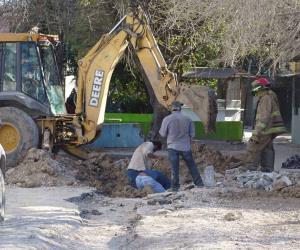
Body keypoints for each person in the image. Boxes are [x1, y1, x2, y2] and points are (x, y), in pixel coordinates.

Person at [241, 77, 286, 172]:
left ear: (260, 89)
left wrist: (256, 133)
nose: (255, 93)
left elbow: (264, 117)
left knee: (253, 147)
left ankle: (250, 169)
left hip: (264, 130)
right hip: (269, 129)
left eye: (256, 90)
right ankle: (268, 170)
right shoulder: (270, 95)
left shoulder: (265, 98)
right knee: (267, 149)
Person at [159, 101, 204, 191]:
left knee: (175, 169)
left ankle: (175, 188)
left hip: (172, 146)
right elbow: (192, 135)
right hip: (185, 147)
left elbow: (163, 134)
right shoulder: (188, 119)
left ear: (172, 108)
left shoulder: (167, 119)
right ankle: (199, 184)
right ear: (180, 108)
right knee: (192, 166)